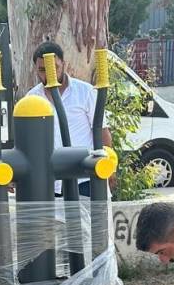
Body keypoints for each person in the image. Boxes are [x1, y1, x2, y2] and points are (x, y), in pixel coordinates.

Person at [27, 41, 112, 197]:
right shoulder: (31, 99)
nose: (48, 74)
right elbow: (28, 142)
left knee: (90, 221)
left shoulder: (85, 92)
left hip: (85, 178)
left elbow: (101, 131)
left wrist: (110, 167)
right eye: (42, 70)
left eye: (54, 68)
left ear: (63, 64)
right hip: (51, 182)